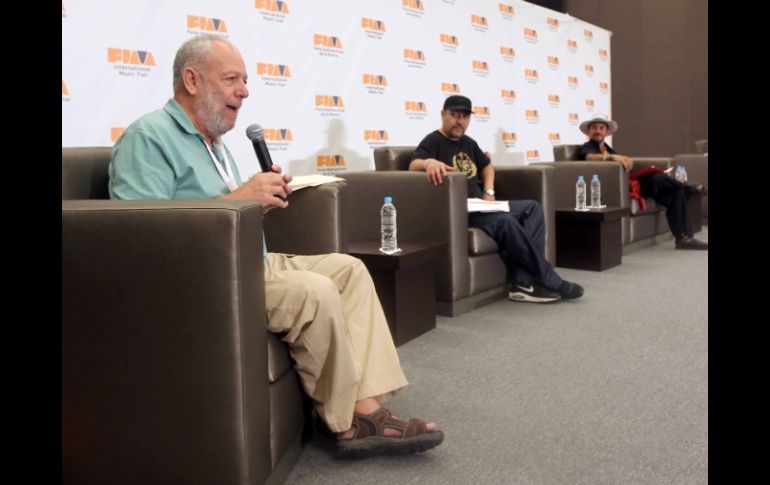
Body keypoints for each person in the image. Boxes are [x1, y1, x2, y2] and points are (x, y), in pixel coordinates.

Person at [108, 35, 443, 459]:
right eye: (231, 79)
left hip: (250, 260)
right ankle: (348, 423)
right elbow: (139, 237)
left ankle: (366, 402)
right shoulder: (148, 137)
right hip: (205, 281)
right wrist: (244, 198)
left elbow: (218, 216)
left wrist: (259, 200)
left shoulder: (213, 143)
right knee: (314, 290)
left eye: (245, 81)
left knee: (348, 270)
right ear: (191, 80)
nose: (245, 91)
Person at [410, 95, 584, 303]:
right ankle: (551, 280)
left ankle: (522, 281)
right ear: (443, 115)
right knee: (505, 220)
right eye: (454, 115)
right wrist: (428, 162)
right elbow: (414, 164)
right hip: (459, 211)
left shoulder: (468, 143)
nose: (459, 121)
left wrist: (489, 191)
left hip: (481, 205)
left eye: (465, 116)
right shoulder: (433, 140)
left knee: (533, 208)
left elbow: (487, 166)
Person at [577, 116, 708, 250]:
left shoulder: (609, 148)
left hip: (630, 183)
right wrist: (610, 157)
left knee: (676, 193)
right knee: (656, 177)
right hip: (618, 188)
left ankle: (684, 238)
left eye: (601, 128)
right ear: (589, 132)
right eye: (594, 128)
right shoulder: (588, 147)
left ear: (606, 132)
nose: (598, 131)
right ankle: (687, 187)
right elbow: (589, 157)